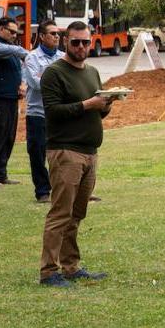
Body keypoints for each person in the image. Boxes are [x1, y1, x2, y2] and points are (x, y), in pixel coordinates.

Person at [38, 21, 112, 288]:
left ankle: (70, 266)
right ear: (64, 42)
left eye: (86, 42)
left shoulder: (92, 72)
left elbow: (98, 110)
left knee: (77, 214)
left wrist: (106, 104)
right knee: (60, 213)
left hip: (90, 153)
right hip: (65, 152)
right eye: (76, 42)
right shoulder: (54, 73)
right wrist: (88, 104)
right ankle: (48, 271)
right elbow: (54, 111)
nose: (81, 47)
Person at [0, 16, 28, 185]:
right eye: (11, 31)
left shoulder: (10, 48)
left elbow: (22, 65)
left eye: (16, 32)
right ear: (0, 29)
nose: (14, 35)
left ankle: (1, 174)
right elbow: (19, 53)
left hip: (12, 99)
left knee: (9, 137)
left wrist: (23, 82)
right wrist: (27, 53)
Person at [23, 21, 63, 203]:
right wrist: (57, 82)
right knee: (38, 154)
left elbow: (68, 84)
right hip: (37, 114)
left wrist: (45, 77)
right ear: (41, 36)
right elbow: (35, 84)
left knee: (63, 153)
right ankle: (42, 191)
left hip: (58, 113)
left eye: (58, 33)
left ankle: (65, 188)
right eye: (52, 33)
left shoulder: (63, 57)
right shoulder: (32, 58)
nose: (57, 37)